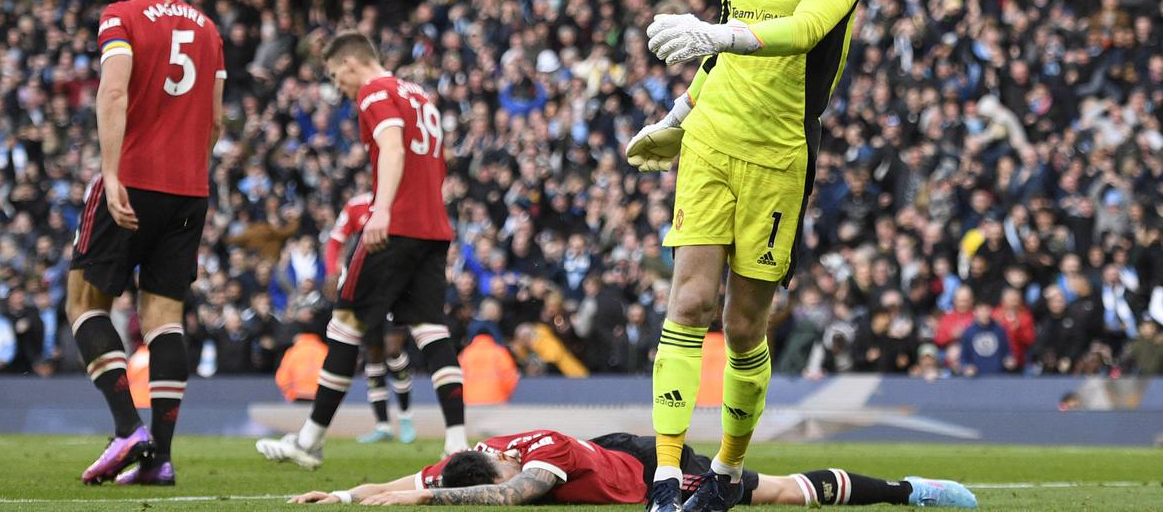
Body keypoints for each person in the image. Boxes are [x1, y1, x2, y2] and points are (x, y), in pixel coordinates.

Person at [626, 0, 875, 511]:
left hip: (779, 154)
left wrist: (713, 30)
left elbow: (802, 32)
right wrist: (676, 120)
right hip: (711, 140)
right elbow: (716, 60)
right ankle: (667, 475)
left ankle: (728, 474)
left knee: (743, 327)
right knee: (689, 301)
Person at [63, 0, 226, 486]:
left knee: (84, 303)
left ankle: (127, 426)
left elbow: (112, 91)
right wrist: (188, 169)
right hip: (189, 187)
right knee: (163, 318)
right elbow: (217, 118)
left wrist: (111, 174)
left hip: (131, 180)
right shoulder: (207, 28)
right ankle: (159, 457)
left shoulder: (120, 16)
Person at [257, 32, 466, 469]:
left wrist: (382, 210)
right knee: (431, 331)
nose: (338, 85)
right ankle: (456, 442)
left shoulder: (375, 91)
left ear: (351, 63)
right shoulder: (419, 94)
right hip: (433, 228)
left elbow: (392, 147)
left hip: (397, 226)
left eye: (336, 75)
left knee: (346, 324)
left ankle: (310, 440)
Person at [287, 428, 976, 508]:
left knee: (769, 493)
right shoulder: (481, 454)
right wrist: (346, 496)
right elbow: (417, 477)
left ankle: (910, 491)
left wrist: (417, 505)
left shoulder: (539, 455)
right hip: (611, 454)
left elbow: (514, 498)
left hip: (648, 465)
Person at [324, 190, 416, 444]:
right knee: (373, 354)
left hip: (397, 288)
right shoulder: (356, 206)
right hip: (365, 289)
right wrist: (333, 272)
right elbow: (334, 242)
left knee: (393, 350)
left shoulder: (402, 203)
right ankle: (383, 425)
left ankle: (406, 417)